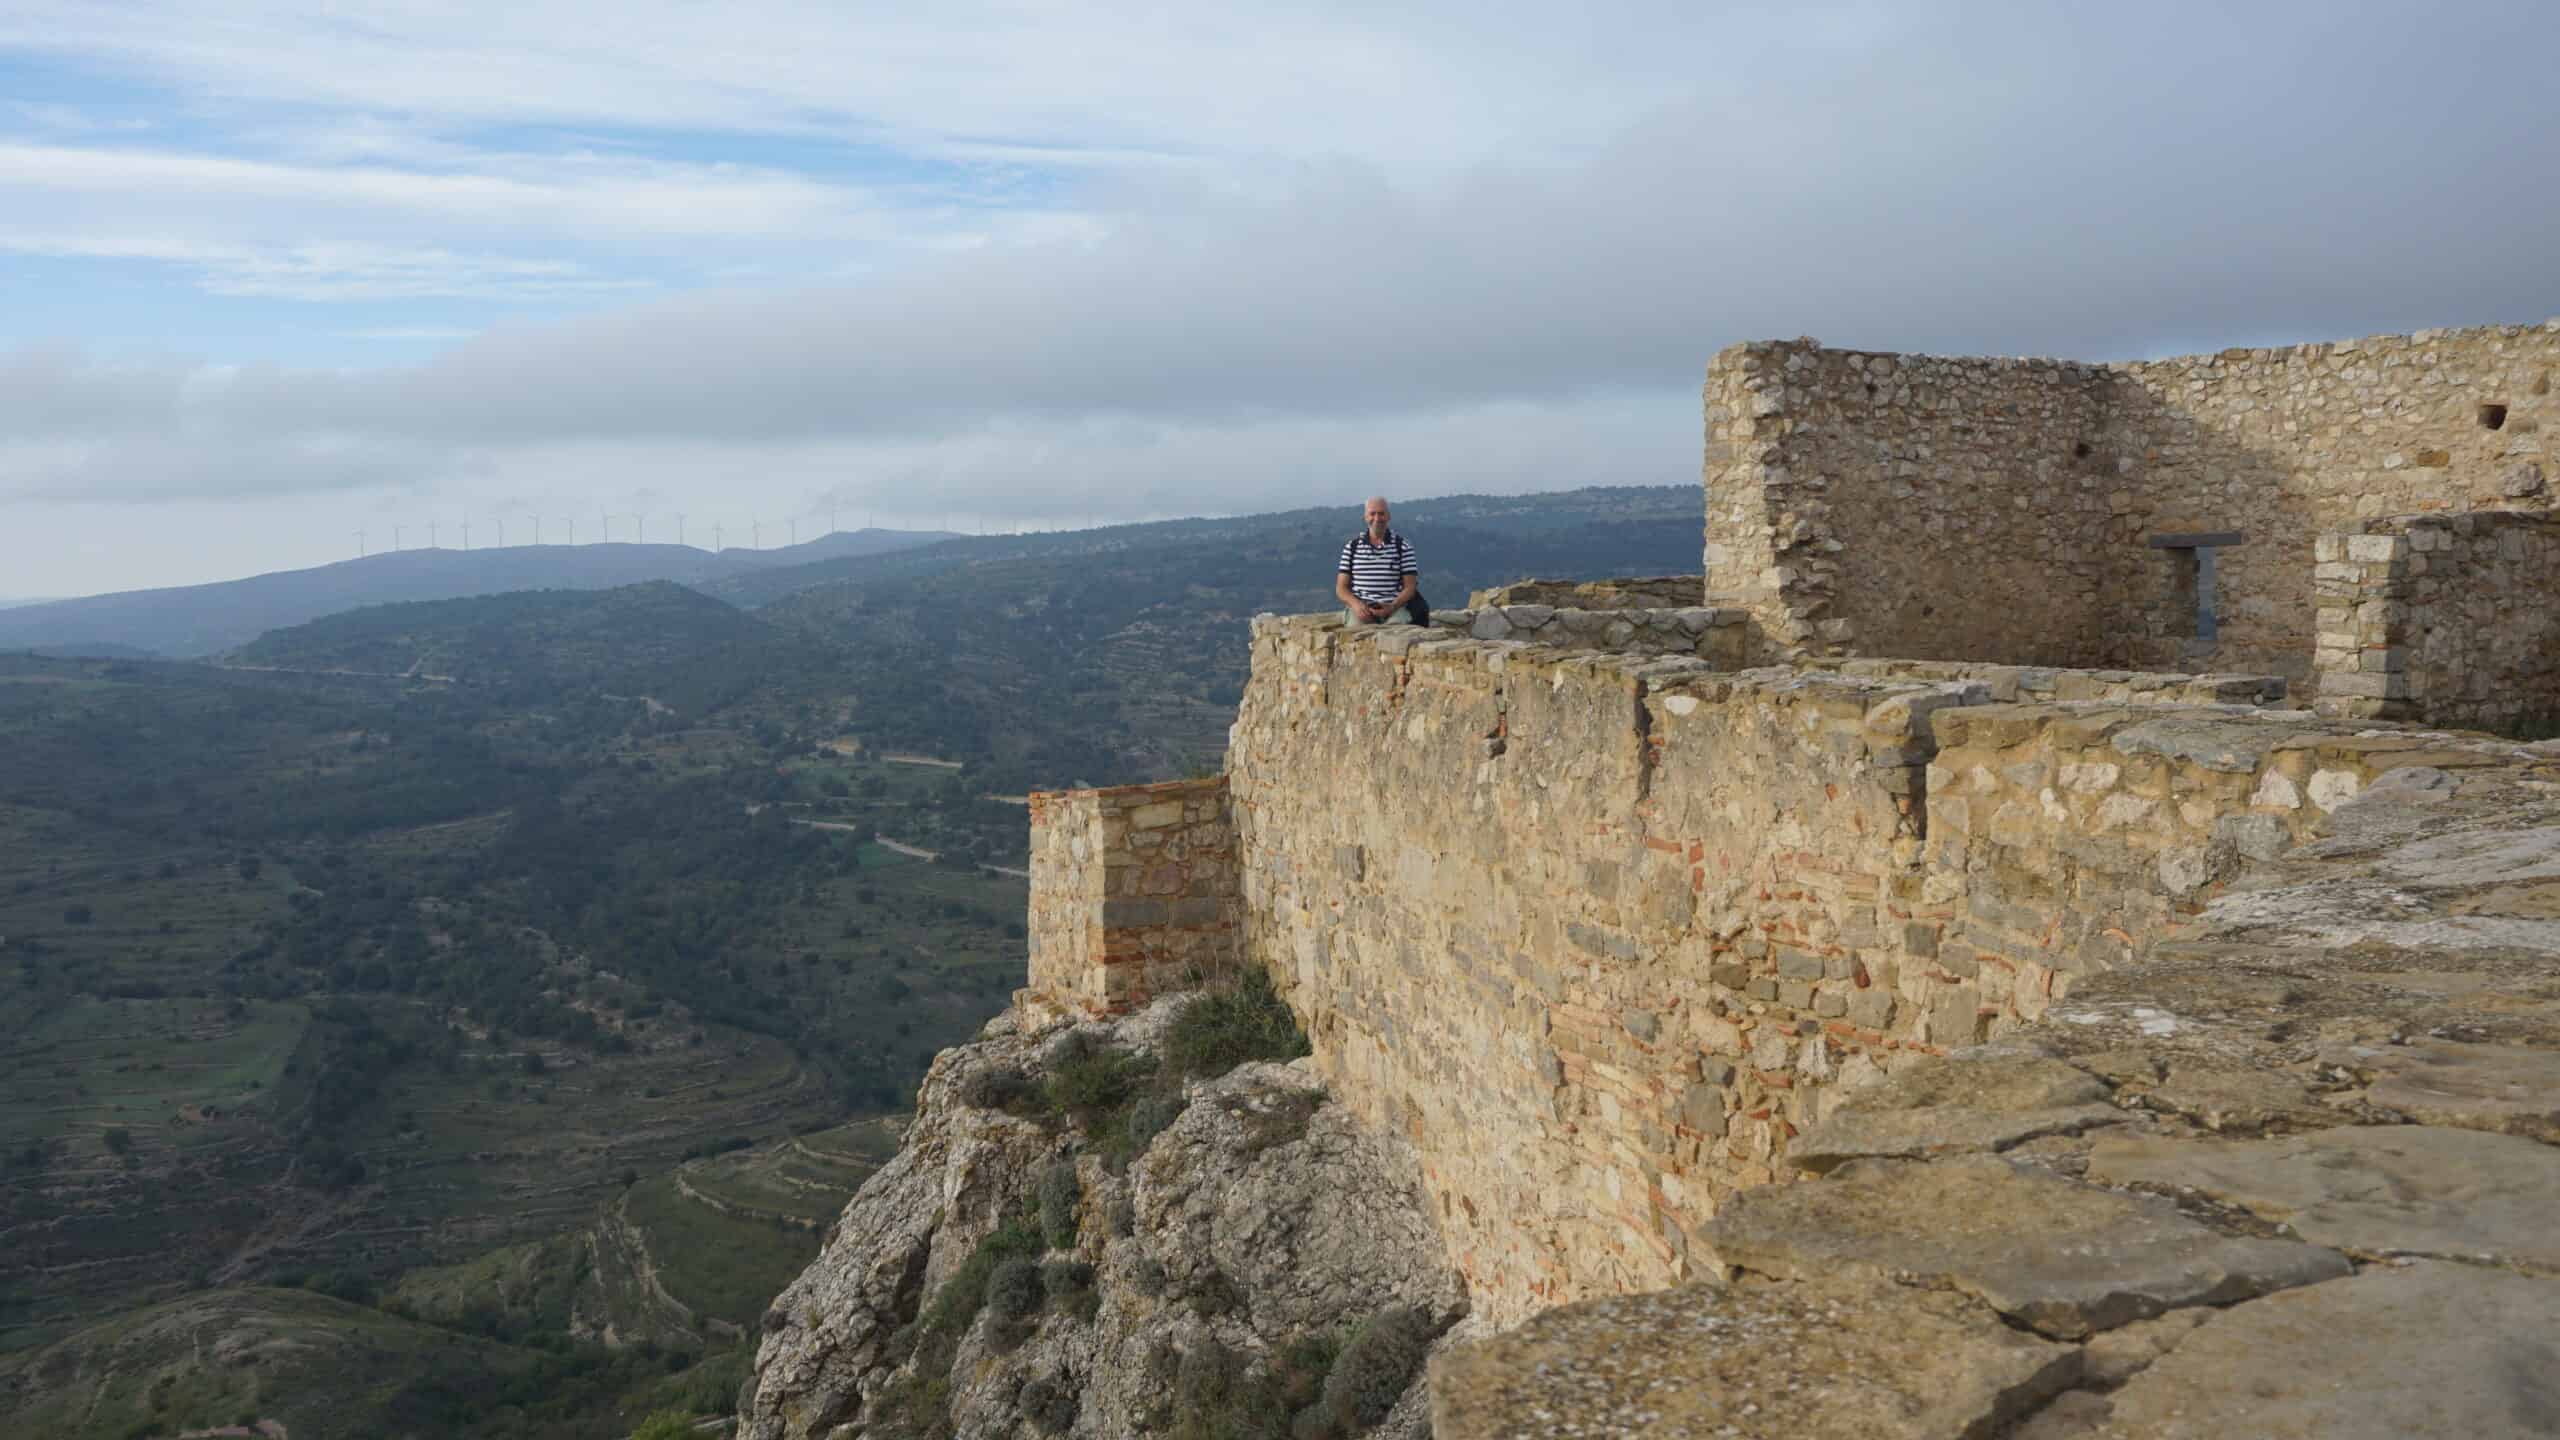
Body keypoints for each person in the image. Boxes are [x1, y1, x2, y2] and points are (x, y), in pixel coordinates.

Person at [1336, 496, 1426, 626]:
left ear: (1388, 516)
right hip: (1361, 610)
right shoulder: (1352, 548)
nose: (1377, 518)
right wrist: (1356, 605)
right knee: (1358, 637)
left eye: (1381, 513)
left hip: (1395, 609)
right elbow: (1341, 588)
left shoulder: (1403, 547)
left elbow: (1410, 587)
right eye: (1372, 514)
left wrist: (1392, 607)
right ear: (1365, 517)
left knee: (1396, 637)